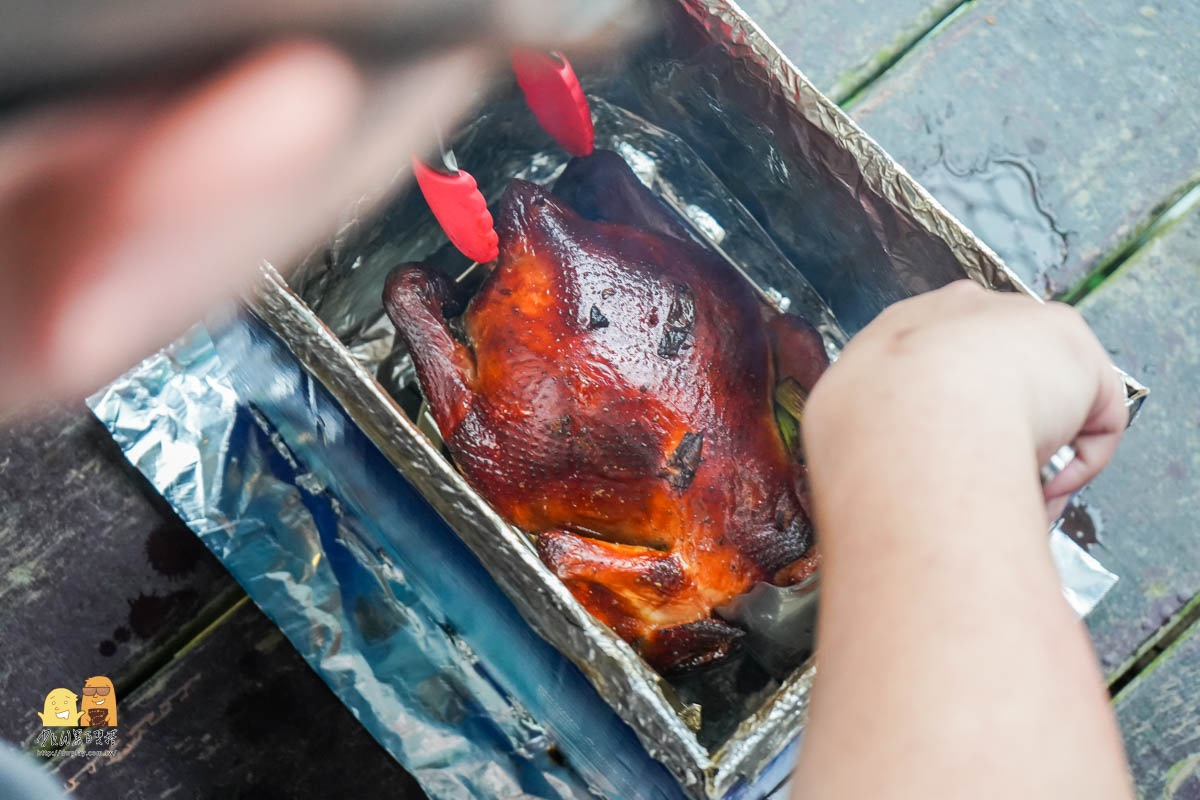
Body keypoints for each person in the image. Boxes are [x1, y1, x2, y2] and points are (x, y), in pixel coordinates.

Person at [0, 28, 1133, 800]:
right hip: (634, 366)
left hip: (669, 351)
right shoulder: (705, 564)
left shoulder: (715, 545)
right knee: (517, 437)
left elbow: (743, 367)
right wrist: (934, 434)